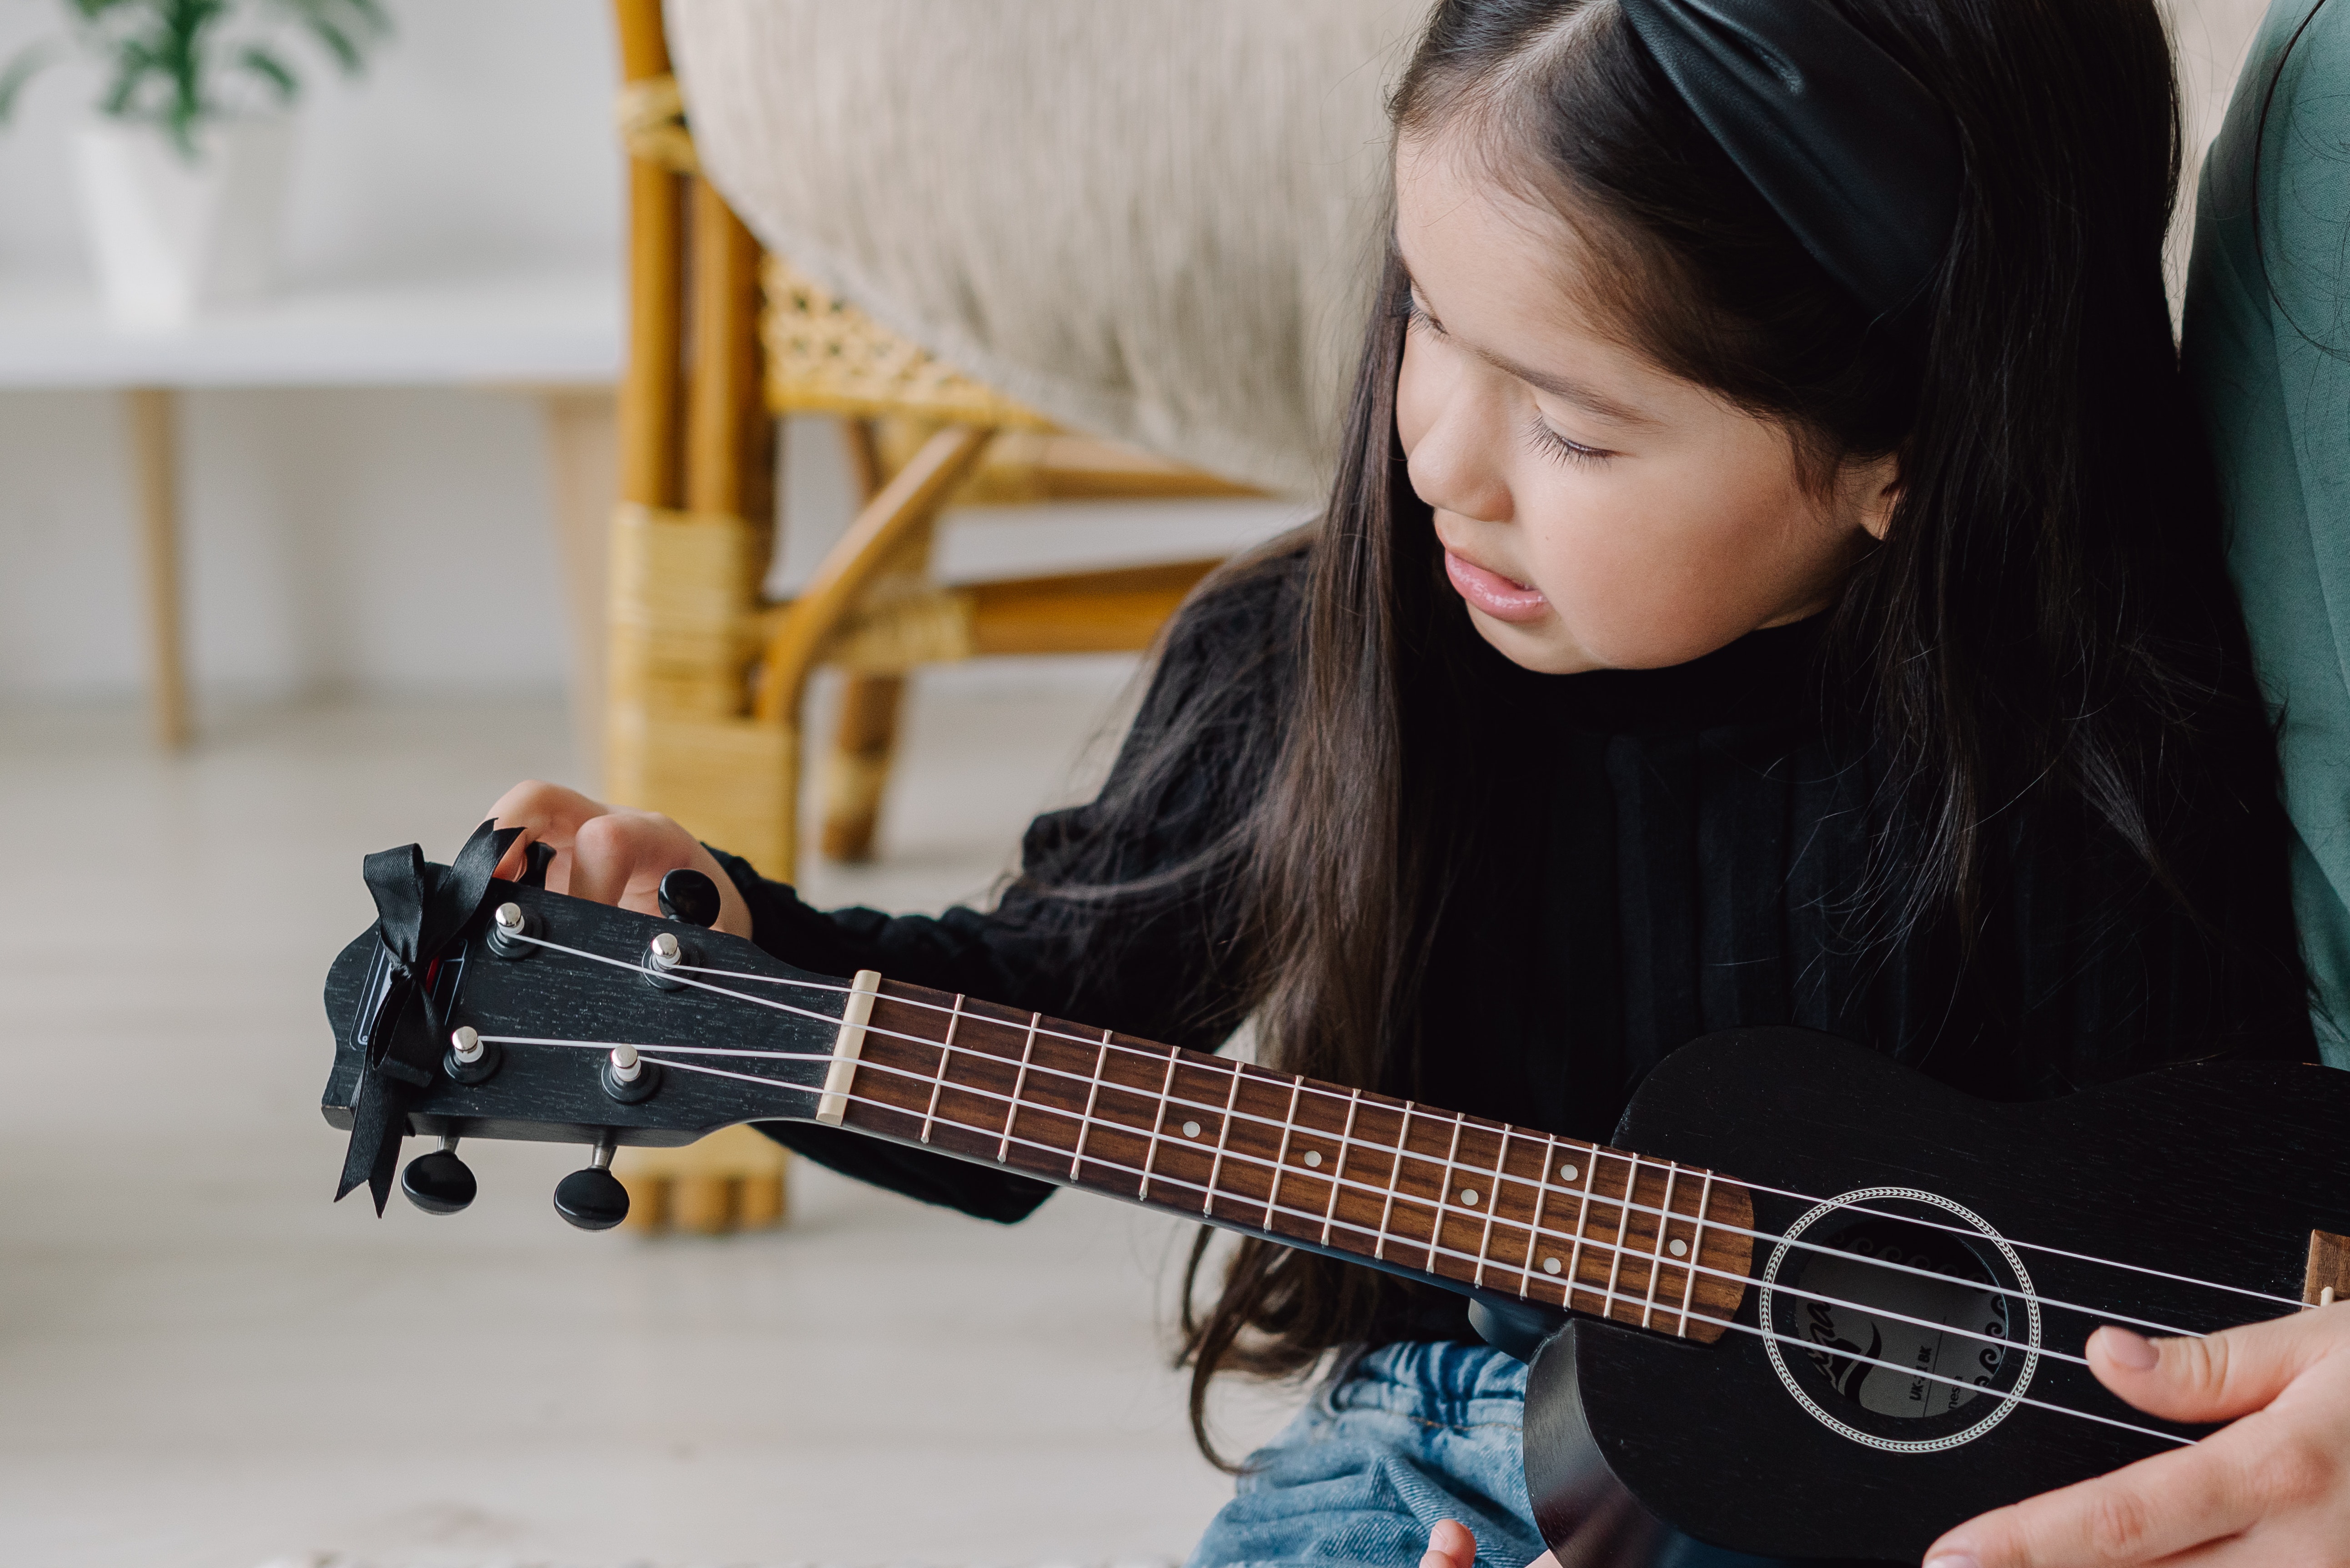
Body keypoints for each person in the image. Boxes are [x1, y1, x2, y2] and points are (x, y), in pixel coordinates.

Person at [482, 0, 2350, 1564]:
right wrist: (733, 953)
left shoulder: (2107, 722)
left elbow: (2199, 1208)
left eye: (1569, 420)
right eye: (1427, 316)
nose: (1442, 453)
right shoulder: (1315, 660)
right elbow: (1038, 1011)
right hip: (1463, 1426)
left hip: (1979, 1479)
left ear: (1902, 449)